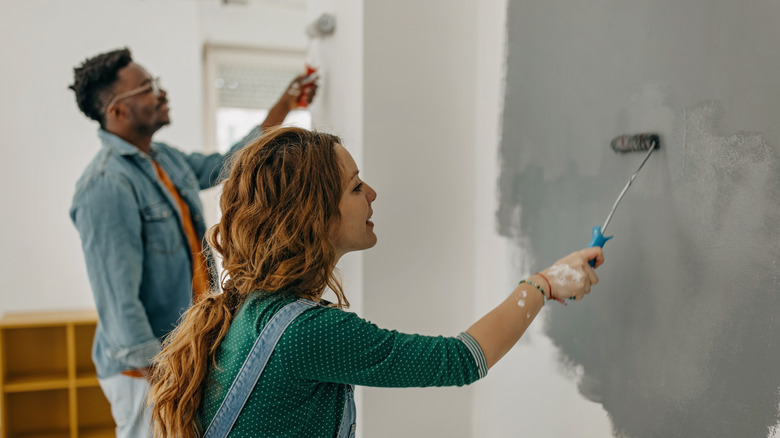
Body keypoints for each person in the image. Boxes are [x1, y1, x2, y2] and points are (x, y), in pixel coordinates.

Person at [148, 127, 605, 437]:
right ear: (314, 217)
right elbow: (462, 359)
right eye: (354, 187)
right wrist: (543, 284)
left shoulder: (250, 308)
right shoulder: (306, 333)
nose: (372, 194)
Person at [68, 48, 317, 437]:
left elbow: (233, 159)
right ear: (117, 112)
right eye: (147, 88)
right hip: (145, 369)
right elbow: (120, 303)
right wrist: (163, 379)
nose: (161, 93)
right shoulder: (105, 185)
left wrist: (284, 104)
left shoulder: (163, 158)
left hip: (179, 357)